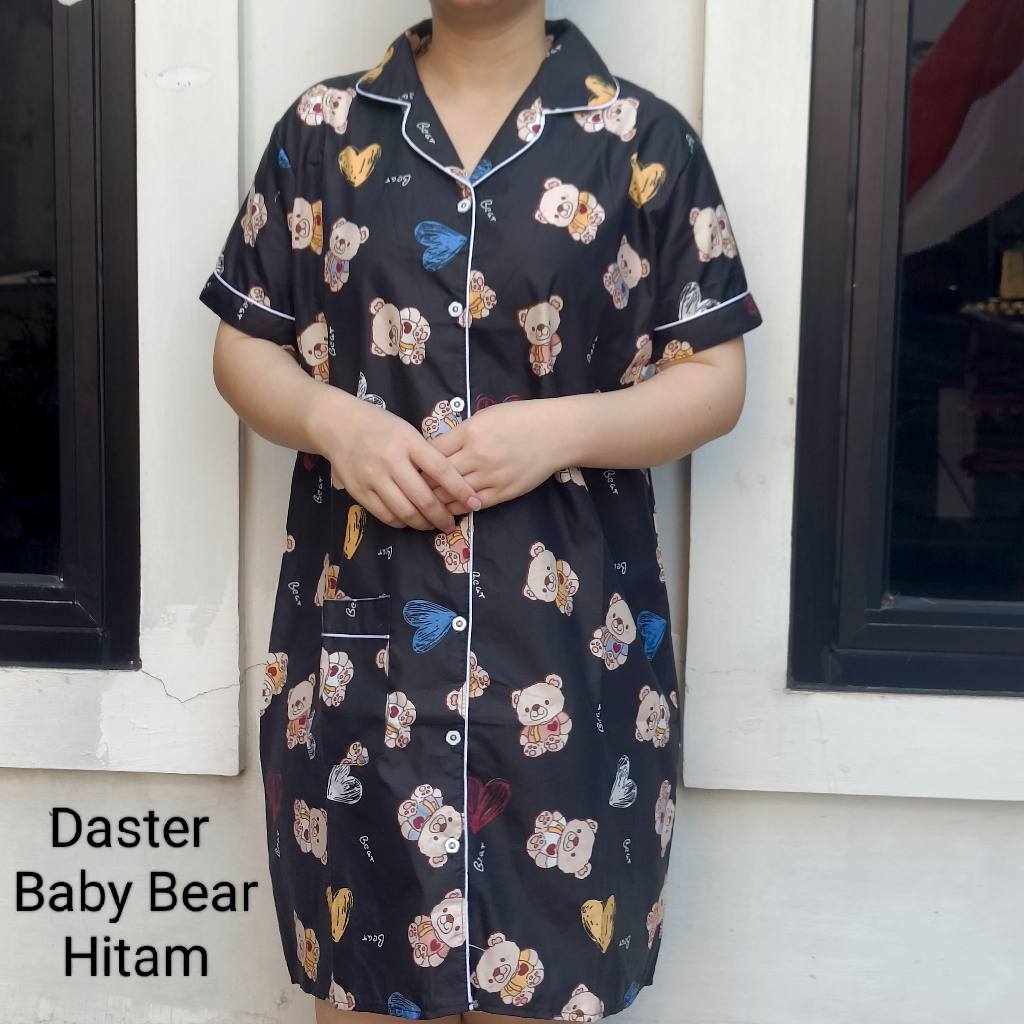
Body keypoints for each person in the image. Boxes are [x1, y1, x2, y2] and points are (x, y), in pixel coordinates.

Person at [199, 1, 761, 1021]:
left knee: (545, 990)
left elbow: (714, 379)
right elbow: (245, 342)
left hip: (568, 662)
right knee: (366, 992)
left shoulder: (643, 143)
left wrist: (564, 429)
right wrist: (335, 422)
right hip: (367, 663)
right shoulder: (322, 133)